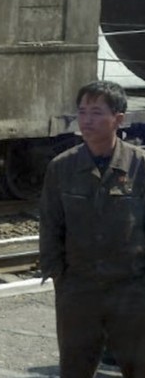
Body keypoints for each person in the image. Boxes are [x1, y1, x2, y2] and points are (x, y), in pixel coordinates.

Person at [39, 80, 145, 378]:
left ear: (119, 119)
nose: (87, 120)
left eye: (97, 113)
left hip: (131, 292)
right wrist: (60, 277)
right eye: (82, 112)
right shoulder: (62, 167)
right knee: (74, 369)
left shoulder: (139, 166)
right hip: (79, 291)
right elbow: (50, 225)